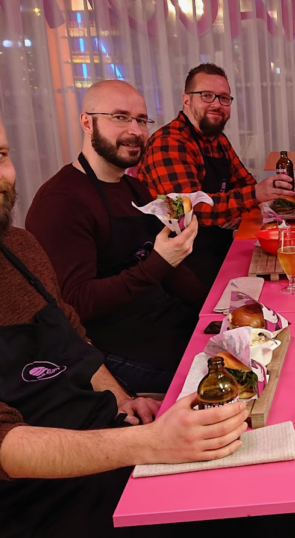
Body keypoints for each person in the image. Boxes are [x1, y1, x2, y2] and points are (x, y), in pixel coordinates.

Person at [0, 86, 290, 537]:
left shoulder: (17, 247)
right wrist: (149, 443)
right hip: (29, 505)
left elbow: (73, 341)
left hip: (105, 443)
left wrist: (123, 402)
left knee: (265, 494)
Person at [26, 80, 202, 395]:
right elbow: (75, 304)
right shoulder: (60, 201)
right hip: (116, 350)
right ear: (86, 122)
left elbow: (172, 270)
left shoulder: (136, 189)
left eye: (142, 120)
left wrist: (212, 307)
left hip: (164, 322)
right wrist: (158, 263)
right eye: (120, 117)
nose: (135, 130)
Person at [136, 63, 295, 286]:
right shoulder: (168, 143)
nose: (217, 104)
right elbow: (187, 213)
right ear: (186, 100)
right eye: (207, 96)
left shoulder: (218, 140)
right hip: (179, 266)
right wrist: (250, 197)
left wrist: (248, 202)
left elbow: (244, 183)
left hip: (217, 251)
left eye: (223, 98)